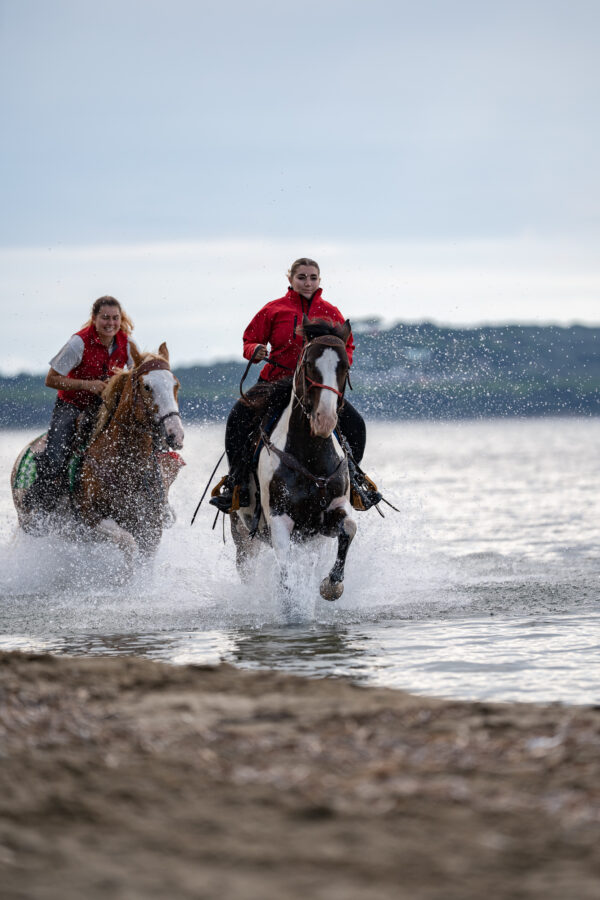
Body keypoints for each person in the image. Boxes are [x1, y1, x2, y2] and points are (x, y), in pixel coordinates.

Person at [210, 258, 381, 512]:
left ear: (319, 280)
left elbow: (347, 348)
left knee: (356, 425)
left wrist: (336, 371)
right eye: (302, 277)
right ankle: (238, 485)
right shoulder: (273, 310)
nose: (307, 282)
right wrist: (254, 349)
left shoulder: (331, 312)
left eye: (313, 277)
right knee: (237, 417)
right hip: (275, 383)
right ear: (290, 279)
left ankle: (354, 481)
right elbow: (250, 339)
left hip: (317, 388)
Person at [25, 295, 137, 511]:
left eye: (115, 318)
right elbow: (51, 379)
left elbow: (136, 376)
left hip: (107, 407)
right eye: (105, 318)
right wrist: (87, 385)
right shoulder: (79, 343)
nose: (111, 323)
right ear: (94, 318)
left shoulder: (129, 344)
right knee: (56, 456)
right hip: (71, 405)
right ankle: (39, 500)